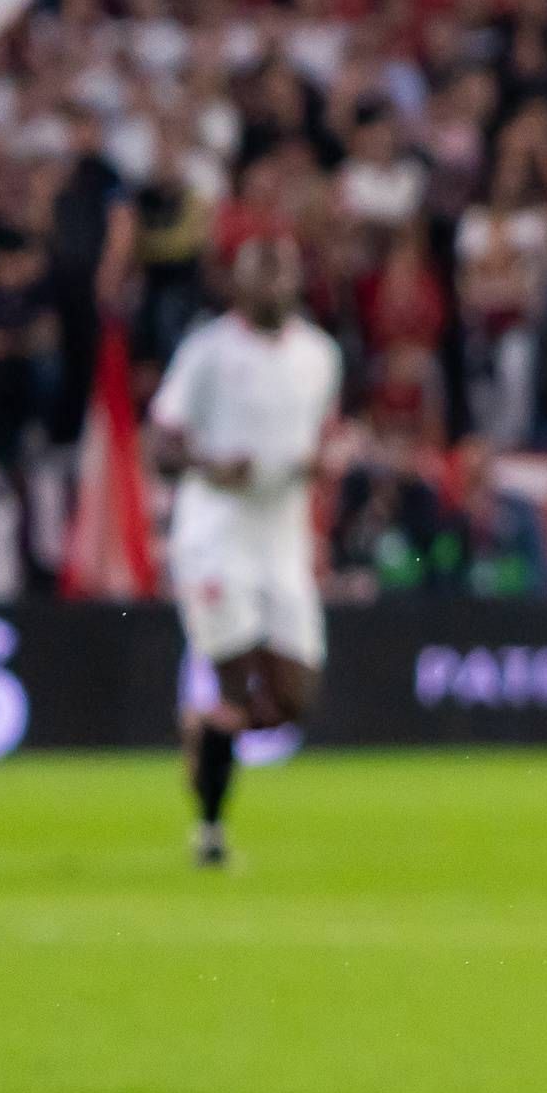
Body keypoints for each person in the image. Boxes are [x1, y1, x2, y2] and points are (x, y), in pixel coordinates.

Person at [143, 237, 342, 868]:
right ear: (239, 286)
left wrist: (319, 462)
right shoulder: (208, 353)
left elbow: (319, 435)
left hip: (282, 538)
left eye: (282, 270)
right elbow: (160, 446)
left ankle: (204, 736)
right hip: (215, 536)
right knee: (235, 689)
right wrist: (210, 465)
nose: (274, 284)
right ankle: (210, 833)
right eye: (261, 273)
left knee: (296, 698)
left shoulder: (320, 355)